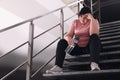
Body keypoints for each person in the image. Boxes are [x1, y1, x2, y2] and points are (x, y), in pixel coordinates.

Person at [46, 7, 101, 74]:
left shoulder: (94, 21)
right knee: (62, 42)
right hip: (77, 48)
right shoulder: (75, 22)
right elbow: (68, 35)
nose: (84, 20)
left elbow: (94, 34)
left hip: (90, 48)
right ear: (79, 16)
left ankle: (94, 64)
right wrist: (68, 38)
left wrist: (92, 19)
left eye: (87, 18)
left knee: (94, 37)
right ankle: (58, 67)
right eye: (82, 17)